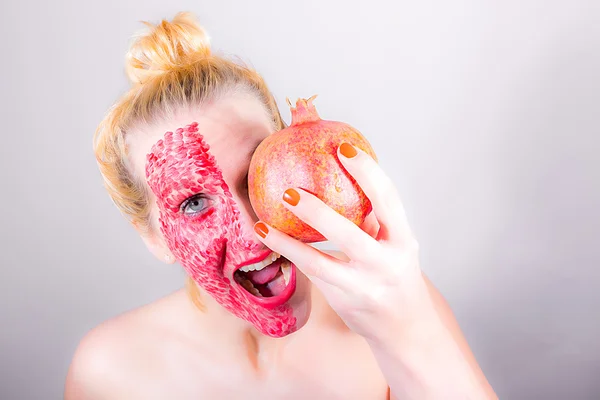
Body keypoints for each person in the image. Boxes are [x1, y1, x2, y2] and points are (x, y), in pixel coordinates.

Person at [65, 12, 497, 399]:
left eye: (257, 172)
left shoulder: (398, 304)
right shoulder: (108, 374)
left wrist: (409, 332)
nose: (254, 229)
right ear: (152, 236)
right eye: (194, 202)